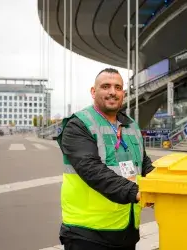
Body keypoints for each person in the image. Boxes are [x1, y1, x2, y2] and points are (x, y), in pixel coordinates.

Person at [56, 68, 155, 250]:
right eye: (106, 86)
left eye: (118, 87)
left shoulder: (131, 125)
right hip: (87, 233)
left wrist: (164, 187)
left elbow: (144, 164)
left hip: (126, 230)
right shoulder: (78, 124)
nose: (112, 92)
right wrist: (135, 192)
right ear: (93, 92)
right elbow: (91, 169)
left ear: (123, 94)